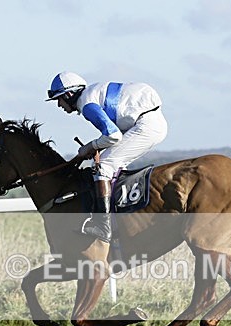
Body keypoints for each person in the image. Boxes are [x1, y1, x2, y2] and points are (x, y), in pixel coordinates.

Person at [46, 71, 168, 242]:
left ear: (69, 94)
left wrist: (90, 146)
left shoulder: (87, 104)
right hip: (147, 121)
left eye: (59, 99)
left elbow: (113, 135)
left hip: (146, 125)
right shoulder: (91, 94)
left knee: (103, 166)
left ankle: (103, 226)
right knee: (111, 162)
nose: (59, 105)